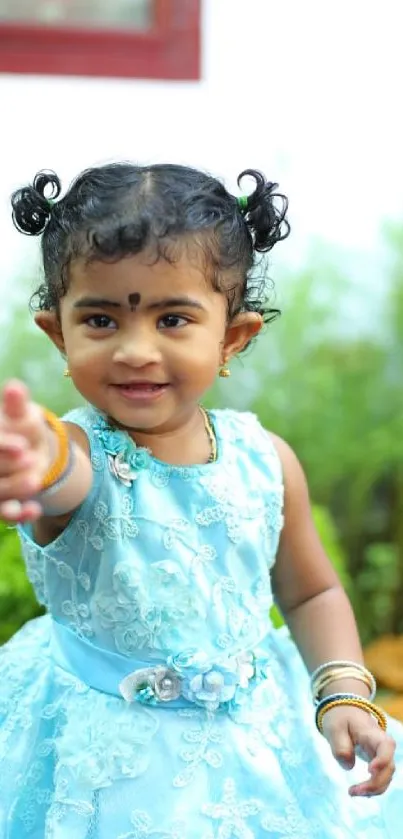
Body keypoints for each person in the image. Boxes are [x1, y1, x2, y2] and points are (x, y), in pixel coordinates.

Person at [0, 162, 401, 839]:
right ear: (58, 333)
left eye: (173, 318)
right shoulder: (83, 452)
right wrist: (33, 452)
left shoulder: (265, 459)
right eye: (100, 318)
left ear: (232, 337)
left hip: (257, 742)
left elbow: (309, 593)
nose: (134, 349)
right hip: (107, 759)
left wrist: (341, 691)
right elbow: (62, 472)